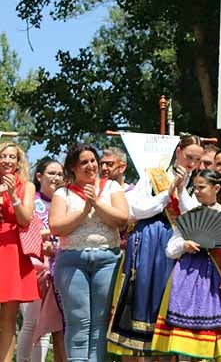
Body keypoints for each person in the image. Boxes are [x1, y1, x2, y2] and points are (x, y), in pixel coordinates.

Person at [107, 134, 206, 357]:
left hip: (180, 244)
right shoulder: (154, 175)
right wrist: (167, 193)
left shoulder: (198, 183)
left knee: (171, 299)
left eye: (197, 160)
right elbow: (134, 209)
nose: (192, 164)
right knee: (143, 295)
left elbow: (196, 217)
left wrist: (180, 192)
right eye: (189, 157)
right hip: (150, 239)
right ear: (178, 151)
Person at [151, 169, 221, 360]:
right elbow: (171, 248)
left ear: (216, 188)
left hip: (215, 275)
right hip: (187, 276)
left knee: (214, 323)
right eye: (195, 187)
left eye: (201, 187)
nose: (196, 191)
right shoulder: (190, 214)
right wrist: (184, 245)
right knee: (184, 327)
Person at [49, 144, 129, 362]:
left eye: (93, 160)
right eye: (84, 162)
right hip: (72, 260)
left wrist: (96, 203)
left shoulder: (112, 187)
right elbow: (56, 227)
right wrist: (85, 210)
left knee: (101, 323)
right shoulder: (62, 193)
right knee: (78, 322)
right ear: (73, 167)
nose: (91, 165)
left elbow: (122, 219)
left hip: (108, 260)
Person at [17, 158, 66, 362]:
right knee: (31, 321)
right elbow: (23, 230)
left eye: (60, 174)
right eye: (51, 173)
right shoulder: (32, 200)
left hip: (59, 267)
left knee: (47, 325)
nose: (56, 178)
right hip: (33, 266)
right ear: (39, 176)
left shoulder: (65, 200)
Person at [0, 142, 41, 362]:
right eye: (3, 156)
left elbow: (25, 218)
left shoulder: (27, 186)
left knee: (8, 319)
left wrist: (12, 195)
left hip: (12, 252)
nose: (7, 160)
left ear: (18, 162)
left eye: (12, 157)